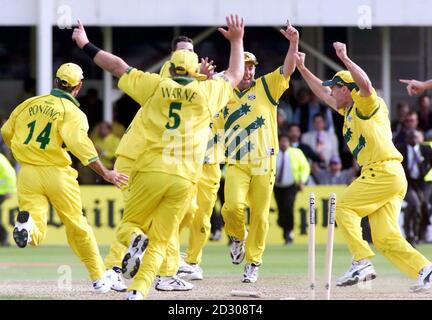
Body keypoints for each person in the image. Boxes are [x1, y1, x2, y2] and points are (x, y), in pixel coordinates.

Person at [72, 15, 244, 300]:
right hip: (184, 177)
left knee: (132, 226)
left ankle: (132, 258)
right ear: (195, 68)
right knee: (162, 239)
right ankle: (138, 291)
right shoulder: (206, 93)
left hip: (150, 168)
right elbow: (235, 75)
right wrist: (236, 41)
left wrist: (86, 44)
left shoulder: (154, 85)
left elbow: (117, 66)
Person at [295, 42, 432, 292]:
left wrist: (345, 59)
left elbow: (366, 85)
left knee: (344, 206)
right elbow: (322, 94)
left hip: (382, 171)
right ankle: (426, 271)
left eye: (335, 88)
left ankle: (361, 261)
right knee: (384, 237)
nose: (331, 93)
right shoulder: (346, 110)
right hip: (389, 175)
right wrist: (303, 69)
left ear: (347, 90)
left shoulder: (366, 104)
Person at [0, 63, 128, 293]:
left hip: (28, 172)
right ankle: (99, 278)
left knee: (37, 223)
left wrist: (22, 153)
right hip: (57, 173)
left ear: (56, 81)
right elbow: (82, 148)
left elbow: (7, 132)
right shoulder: (72, 113)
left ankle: (27, 228)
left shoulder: (29, 103)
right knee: (77, 225)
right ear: (78, 87)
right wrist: (106, 173)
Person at [102, 35, 215, 292]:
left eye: (192, 53)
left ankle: (161, 267)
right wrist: (206, 78)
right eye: (184, 53)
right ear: (172, 57)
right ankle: (115, 269)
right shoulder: (168, 77)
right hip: (141, 158)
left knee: (176, 215)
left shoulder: (180, 79)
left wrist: (203, 78)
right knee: (147, 221)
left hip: (153, 161)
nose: (189, 57)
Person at [221, 21, 298, 283]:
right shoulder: (223, 92)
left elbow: (287, 69)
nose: (249, 72)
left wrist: (293, 44)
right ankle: (236, 237)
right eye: (245, 67)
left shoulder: (266, 86)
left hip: (265, 162)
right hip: (236, 162)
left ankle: (253, 262)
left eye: (253, 67)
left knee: (261, 216)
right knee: (231, 208)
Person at [396, 129, 432, 246]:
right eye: (411, 137)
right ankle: (409, 232)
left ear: (419, 138)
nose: (413, 139)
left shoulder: (425, 149)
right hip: (407, 182)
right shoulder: (400, 149)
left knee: (422, 206)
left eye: (415, 137)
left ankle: (416, 233)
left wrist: (425, 168)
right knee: (415, 204)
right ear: (407, 139)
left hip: (423, 183)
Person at [274, 133, 310, 245]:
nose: (284, 143)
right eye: (282, 141)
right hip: (276, 186)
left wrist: (302, 180)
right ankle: (283, 224)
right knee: (281, 208)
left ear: (289, 142)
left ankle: (289, 232)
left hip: (291, 185)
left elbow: (305, 167)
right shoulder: (274, 153)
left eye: (285, 141)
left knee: (288, 207)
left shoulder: (296, 153)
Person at [0, 153, 16, 246]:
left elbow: (9, 173)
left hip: (2, 191)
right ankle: (3, 237)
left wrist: (9, 190)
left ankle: (4, 236)